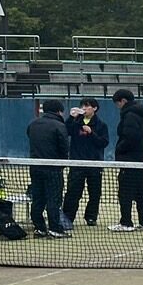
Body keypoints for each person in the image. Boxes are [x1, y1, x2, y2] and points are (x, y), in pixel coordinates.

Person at [109, 90, 143, 232]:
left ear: (123, 101)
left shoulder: (129, 116)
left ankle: (126, 223)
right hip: (141, 159)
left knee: (125, 192)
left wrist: (120, 150)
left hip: (129, 160)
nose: (118, 107)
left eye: (118, 103)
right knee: (141, 191)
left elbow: (130, 137)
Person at [62, 96, 109, 230]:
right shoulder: (75, 122)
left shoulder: (101, 125)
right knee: (73, 192)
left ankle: (91, 217)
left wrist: (91, 133)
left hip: (95, 164)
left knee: (95, 193)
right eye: (83, 106)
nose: (84, 108)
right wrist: (71, 118)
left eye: (87, 106)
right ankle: (67, 217)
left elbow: (103, 142)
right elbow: (65, 131)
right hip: (77, 164)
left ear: (94, 108)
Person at [26, 99, 70, 239]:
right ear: (59, 111)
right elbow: (64, 148)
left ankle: (39, 228)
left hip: (35, 168)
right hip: (53, 169)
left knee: (38, 198)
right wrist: (62, 163)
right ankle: (55, 228)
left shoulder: (33, 124)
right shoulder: (60, 126)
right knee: (54, 199)